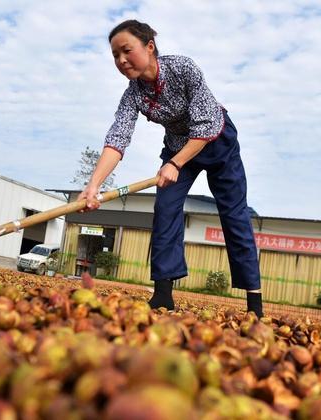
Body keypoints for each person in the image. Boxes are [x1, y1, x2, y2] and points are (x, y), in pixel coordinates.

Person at [78, 20, 263, 317]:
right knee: (165, 208)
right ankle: (163, 296)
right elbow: (117, 139)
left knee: (234, 215)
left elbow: (205, 125)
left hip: (217, 142)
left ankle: (255, 304)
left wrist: (175, 164)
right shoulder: (133, 94)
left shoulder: (182, 68)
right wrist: (93, 185)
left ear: (149, 46)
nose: (121, 60)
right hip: (177, 147)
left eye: (127, 51)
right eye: (115, 55)